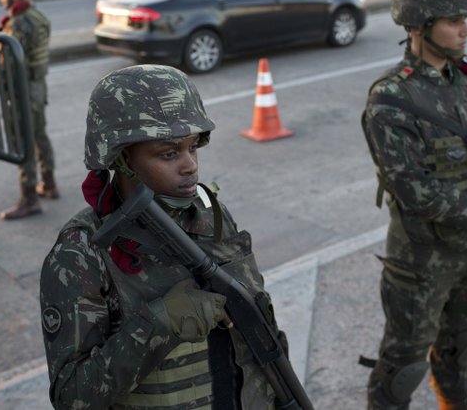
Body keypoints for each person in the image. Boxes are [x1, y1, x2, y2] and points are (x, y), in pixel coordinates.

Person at [39, 64, 289, 408]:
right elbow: (72, 396)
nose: (189, 165)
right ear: (122, 157)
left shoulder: (210, 215)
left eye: (193, 148)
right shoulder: (83, 251)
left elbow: (261, 324)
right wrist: (159, 324)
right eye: (168, 153)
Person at [361, 0, 467, 410]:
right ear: (419, 26)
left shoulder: (465, 81)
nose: (466, 31)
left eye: (465, 20)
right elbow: (412, 190)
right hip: (422, 264)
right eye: (455, 21)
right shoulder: (392, 99)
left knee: (458, 352)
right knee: (403, 367)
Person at [0, 0, 59, 219]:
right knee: (39, 136)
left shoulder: (20, 22)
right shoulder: (37, 15)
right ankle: (50, 183)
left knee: (23, 141)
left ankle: (29, 198)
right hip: (37, 85)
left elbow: (7, 61)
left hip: (23, 88)